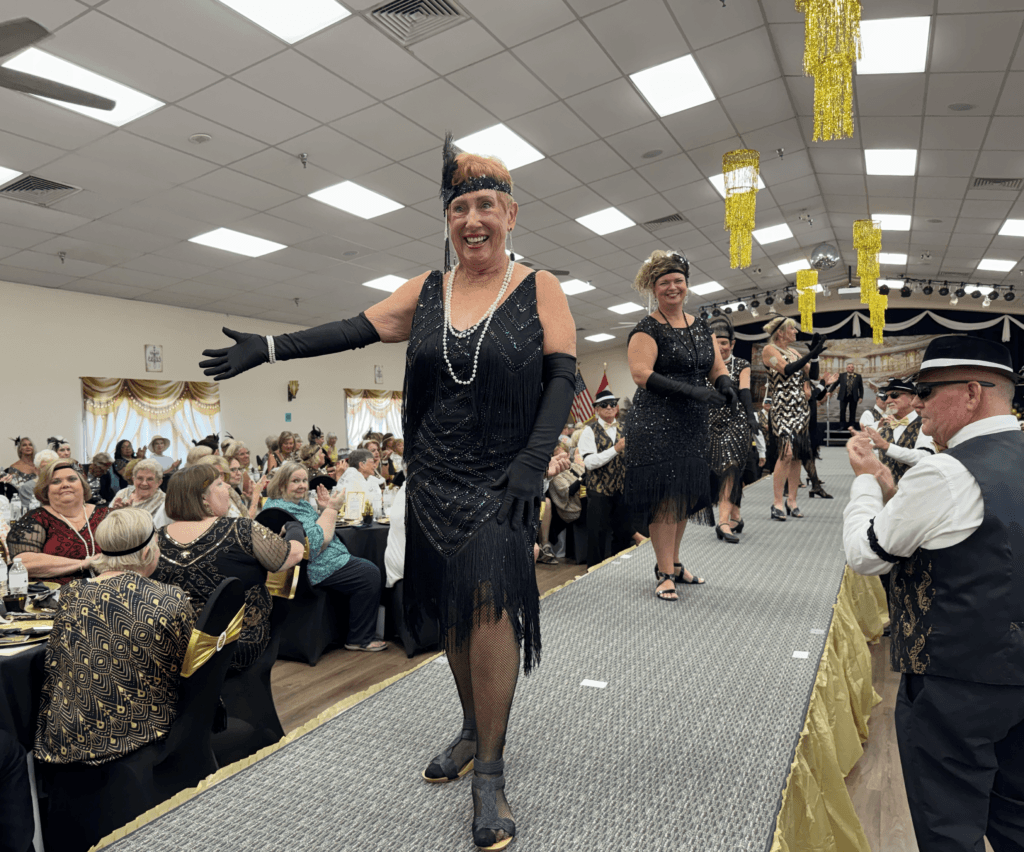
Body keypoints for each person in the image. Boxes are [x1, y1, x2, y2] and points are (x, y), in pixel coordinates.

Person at [199, 135, 576, 850]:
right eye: (459, 208)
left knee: (491, 611)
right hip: (432, 480)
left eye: (486, 206)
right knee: (454, 617)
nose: (472, 219)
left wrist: (534, 460)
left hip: (502, 482)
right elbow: (353, 329)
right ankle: (471, 729)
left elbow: (561, 374)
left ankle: (490, 772)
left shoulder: (538, 287)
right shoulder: (428, 290)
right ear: (448, 219)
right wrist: (271, 349)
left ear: (511, 214)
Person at [842, 336, 1024, 851]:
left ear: (972, 393)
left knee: (948, 829)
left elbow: (866, 554)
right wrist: (887, 478)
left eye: (926, 391)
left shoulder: (947, 470)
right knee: (1015, 820)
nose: (917, 403)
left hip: (953, 682)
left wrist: (865, 483)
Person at [35, 508, 196, 767]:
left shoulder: (71, 594)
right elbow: (191, 668)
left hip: (67, 738)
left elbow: (55, 663)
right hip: (139, 735)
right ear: (146, 552)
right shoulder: (168, 597)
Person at [624, 250, 737, 600]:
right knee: (665, 498)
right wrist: (693, 391)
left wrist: (725, 385)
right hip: (656, 423)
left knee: (684, 494)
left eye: (678, 281)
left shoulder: (701, 326)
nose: (672, 287)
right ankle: (663, 572)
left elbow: (716, 367)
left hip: (692, 423)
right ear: (653, 288)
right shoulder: (646, 328)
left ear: (687, 284)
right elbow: (641, 374)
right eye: (664, 283)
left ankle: (673, 564)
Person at [153, 465, 304, 672]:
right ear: (204, 498)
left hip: (170, 649)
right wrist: (295, 528)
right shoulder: (241, 529)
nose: (227, 488)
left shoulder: (156, 538)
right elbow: (292, 555)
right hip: (233, 645)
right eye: (219, 484)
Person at [264, 461, 386, 652]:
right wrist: (332, 509)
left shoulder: (286, 504)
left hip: (309, 565)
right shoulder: (287, 510)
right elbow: (315, 544)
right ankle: (360, 638)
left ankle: (348, 631)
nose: (302, 485)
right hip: (312, 569)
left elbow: (313, 530)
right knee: (369, 574)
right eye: (295, 481)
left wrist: (323, 510)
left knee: (363, 565)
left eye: (304, 480)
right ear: (281, 485)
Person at [760, 316, 827, 521]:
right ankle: (777, 502)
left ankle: (792, 501)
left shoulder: (794, 352)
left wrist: (815, 357)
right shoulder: (769, 350)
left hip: (800, 409)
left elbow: (812, 375)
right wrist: (810, 355)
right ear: (780, 332)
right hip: (782, 408)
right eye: (792, 329)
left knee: (797, 454)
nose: (796, 332)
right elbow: (787, 369)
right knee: (786, 453)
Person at [6, 460, 110, 583]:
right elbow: (23, 562)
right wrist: (83, 564)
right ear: (46, 490)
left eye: (72, 479)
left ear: (83, 485)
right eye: (56, 481)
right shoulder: (36, 518)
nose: (65, 485)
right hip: (56, 592)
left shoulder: (106, 515)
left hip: (108, 588)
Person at [705, 316, 759, 543]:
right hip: (710, 426)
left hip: (735, 423)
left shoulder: (741, 365)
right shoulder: (704, 367)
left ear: (732, 344)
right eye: (716, 343)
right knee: (723, 471)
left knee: (731, 468)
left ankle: (723, 522)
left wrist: (750, 416)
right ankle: (735, 516)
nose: (721, 347)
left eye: (724, 343)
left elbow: (745, 391)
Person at [578, 388, 630, 566]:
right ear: (596, 409)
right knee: (597, 537)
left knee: (623, 535)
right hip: (598, 490)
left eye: (613, 404)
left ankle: (621, 570)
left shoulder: (625, 428)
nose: (609, 407)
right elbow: (590, 462)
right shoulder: (589, 431)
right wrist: (615, 449)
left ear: (617, 408)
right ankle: (594, 573)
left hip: (621, 489)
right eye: (604, 405)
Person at [861, 377, 936, 486]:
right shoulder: (883, 427)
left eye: (894, 395)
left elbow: (925, 457)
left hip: (915, 491)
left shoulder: (924, 424)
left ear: (912, 398)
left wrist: (887, 447)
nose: (887, 401)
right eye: (886, 396)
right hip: (885, 492)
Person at [110, 458, 170, 527]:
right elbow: (107, 522)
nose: (144, 483)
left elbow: (155, 529)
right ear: (133, 479)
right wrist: (114, 512)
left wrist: (125, 513)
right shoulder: (123, 493)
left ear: (159, 482)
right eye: (140, 478)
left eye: (150, 479)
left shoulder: (164, 502)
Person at [835, 362, 864, 430]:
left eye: (852, 367)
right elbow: (835, 384)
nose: (851, 368)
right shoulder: (842, 375)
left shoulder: (858, 376)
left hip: (853, 397)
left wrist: (861, 397)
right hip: (843, 396)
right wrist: (829, 391)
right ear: (846, 368)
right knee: (842, 411)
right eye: (849, 367)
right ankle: (842, 425)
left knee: (853, 412)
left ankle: (851, 425)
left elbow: (861, 388)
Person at [755, 396, 772, 475]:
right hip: (760, 444)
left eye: (770, 402)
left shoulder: (773, 415)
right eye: (766, 402)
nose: (768, 404)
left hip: (771, 444)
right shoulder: (757, 414)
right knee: (759, 466)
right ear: (762, 403)